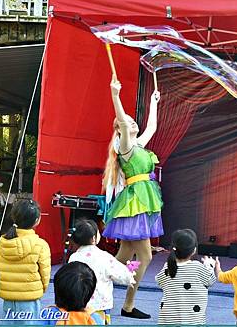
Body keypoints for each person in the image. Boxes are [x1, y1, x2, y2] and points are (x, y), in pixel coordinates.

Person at [102, 76, 162, 319]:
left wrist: (153, 102)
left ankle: (95, 281)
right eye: (126, 121)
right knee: (144, 255)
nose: (132, 122)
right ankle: (128, 305)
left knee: (124, 257)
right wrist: (115, 95)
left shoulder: (138, 144)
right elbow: (125, 126)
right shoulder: (125, 145)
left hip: (141, 200)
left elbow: (152, 127)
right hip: (135, 202)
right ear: (119, 128)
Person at [69, 219, 136, 324]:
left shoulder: (73, 257)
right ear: (94, 238)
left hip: (78, 305)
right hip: (99, 305)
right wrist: (130, 275)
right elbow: (121, 275)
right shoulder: (104, 257)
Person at [0, 199, 50, 325]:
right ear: (37, 220)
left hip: (8, 296)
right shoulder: (40, 244)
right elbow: (45, 275)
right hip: (30, 298)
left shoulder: (3, 241)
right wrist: (38, 290)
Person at [156, 229, 216, 325]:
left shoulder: (168, 266)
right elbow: (211, 280)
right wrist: (210, 266)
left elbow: (159, 281)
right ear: (194, 250)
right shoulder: (197, 267)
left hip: (168, 318)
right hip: (192, 319)